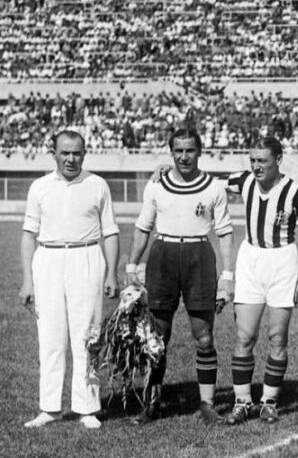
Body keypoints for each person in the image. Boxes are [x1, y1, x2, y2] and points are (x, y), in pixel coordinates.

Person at [126, 128, 235, 425]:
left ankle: (208, 404)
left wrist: (227, 277)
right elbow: (143, 228)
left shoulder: (213, 187)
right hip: (163, 256)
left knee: (204, 336)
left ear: (200, 151)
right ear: (171, 152)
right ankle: (152, 403)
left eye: (190, 150)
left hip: (199, 257)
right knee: (158, 336)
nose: (184, 156)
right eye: (179, 151)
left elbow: (224, 233)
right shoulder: (156, 185)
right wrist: (131, 267)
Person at [20, 130, 120, 430]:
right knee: (50, 337)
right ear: (54, 153)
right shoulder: (39, 187)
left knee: (87, 335)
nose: (71, 158)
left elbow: (111, 232)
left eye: (76, 153)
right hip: (48, 259)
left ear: (84, 153)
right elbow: (28, 234)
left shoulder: (97, 184)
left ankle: (87, 406)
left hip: (86, 258)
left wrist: (112, 273)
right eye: (65, 152)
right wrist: (27, 280)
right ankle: (49, 407)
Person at [222, 138, 298, 425]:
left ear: (278, 159)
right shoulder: (243, 181)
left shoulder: (296, 194)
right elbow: (206, 182)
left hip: (283, 262)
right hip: (250, 259)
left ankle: (269, 401)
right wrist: (165, 169)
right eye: (252, 159)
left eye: (262, 160)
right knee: (243, 337)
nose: (256, 166)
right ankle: (242, 401)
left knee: (277, 337)